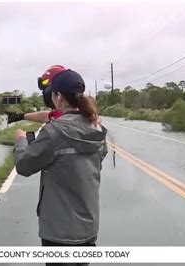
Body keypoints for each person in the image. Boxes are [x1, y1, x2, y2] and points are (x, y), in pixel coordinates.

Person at [13, 69, 108, 266]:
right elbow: (100, 156)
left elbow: (24, 166)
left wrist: (21, 141)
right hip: (88, 227)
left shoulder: (54, 131)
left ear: (58, 98)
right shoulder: (96, 127)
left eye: (53, 94)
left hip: (58, 231)